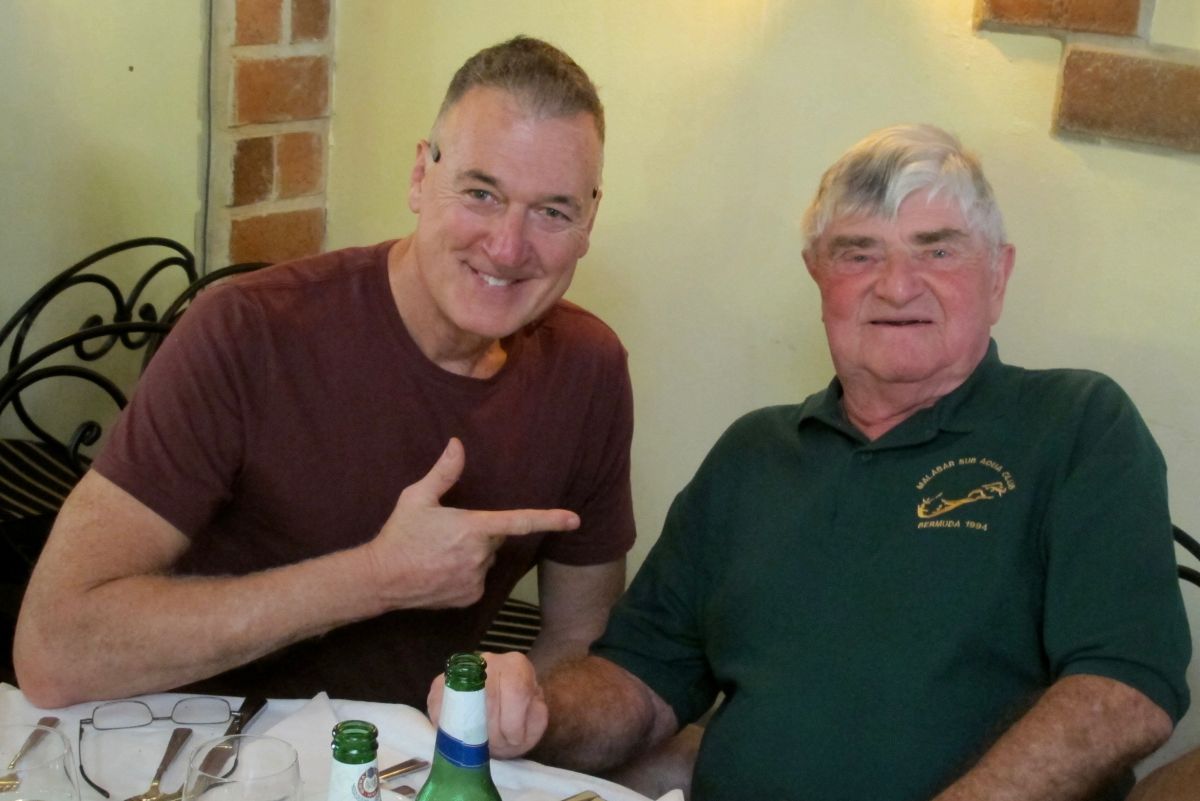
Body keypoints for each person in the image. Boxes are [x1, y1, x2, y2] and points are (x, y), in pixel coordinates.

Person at [439, 124, 1192, 801]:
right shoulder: (753, 455)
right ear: (818, 276)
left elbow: (1127, 689)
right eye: (859, 253)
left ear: (998, 274)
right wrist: (535, 713)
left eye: (937, 249)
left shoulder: (1075, 424)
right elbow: (640, 680)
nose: (897, 284)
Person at [14, 35, 635, 709]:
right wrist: (375, 577)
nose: (508, 246)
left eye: (552, 212)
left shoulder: (590, 369)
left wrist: (510, 714)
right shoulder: (248, 330)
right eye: (481, 192)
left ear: (590, 220)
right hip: (183, 742)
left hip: (404, 752)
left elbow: (580, 640)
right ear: (420, 177)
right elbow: (55, 652)